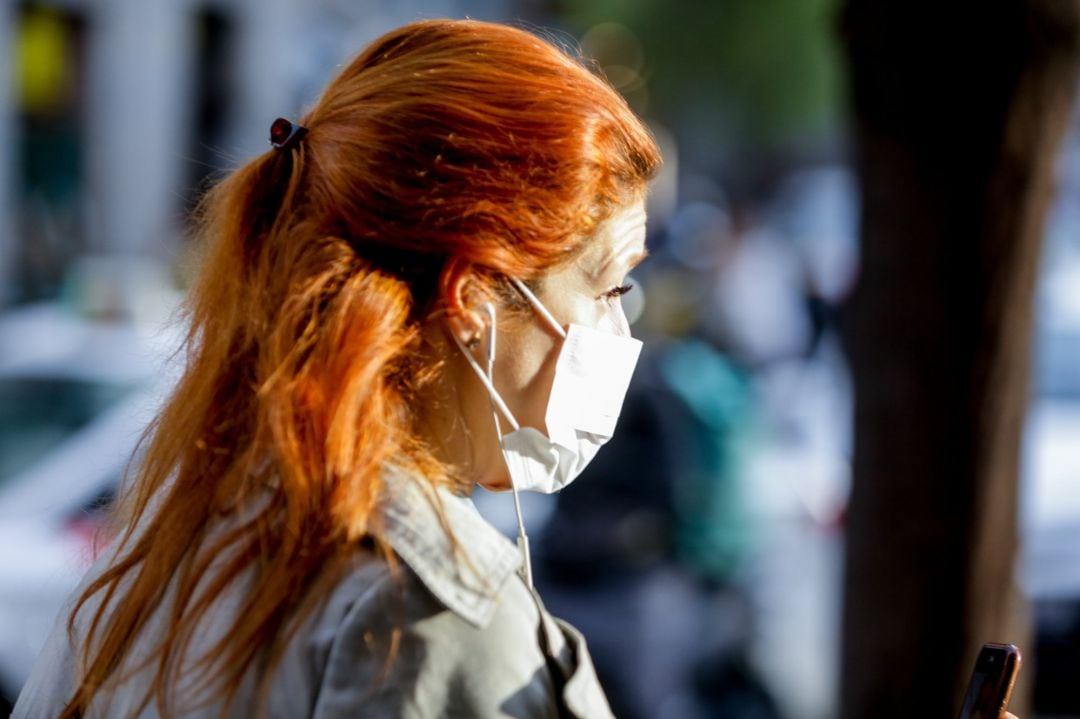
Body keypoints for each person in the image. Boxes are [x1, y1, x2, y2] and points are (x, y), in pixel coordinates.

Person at [13, 18, 660, 719]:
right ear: (471, 294)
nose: (619, 328)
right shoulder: (426, 619)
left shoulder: (160, 553)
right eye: (609, 288)